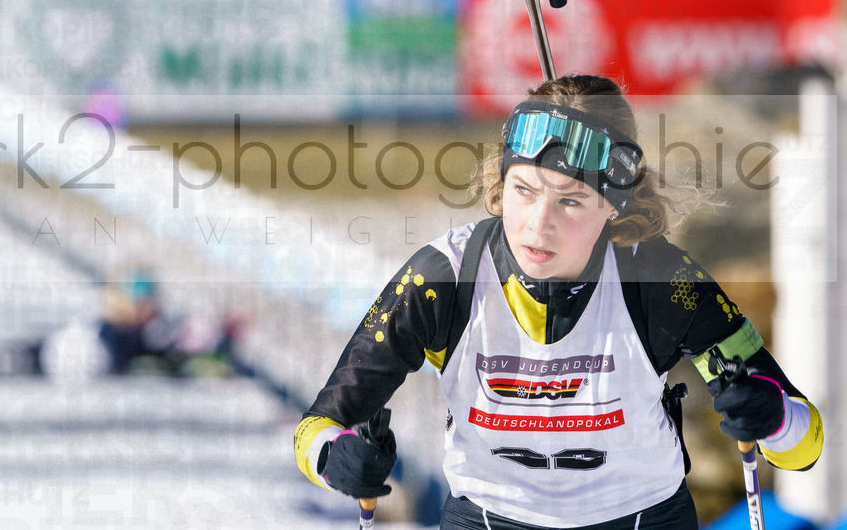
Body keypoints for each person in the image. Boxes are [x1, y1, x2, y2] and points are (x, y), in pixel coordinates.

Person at [293, 75, 823, 529]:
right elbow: (317, 427)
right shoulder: (442, 278)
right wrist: (337, 459)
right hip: (487, 517)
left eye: (570, 200)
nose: (538, 223)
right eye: (524, 190)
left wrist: (771, 415)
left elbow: (806, 442)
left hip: (640, 517)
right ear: (502, 182)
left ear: (613, 209)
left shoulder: (660, 280)